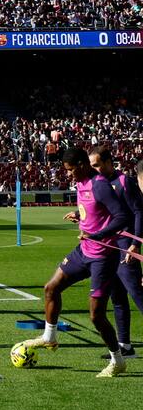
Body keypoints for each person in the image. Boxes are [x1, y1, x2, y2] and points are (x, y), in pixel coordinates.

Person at [22, 146, 130, 377]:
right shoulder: (80, 183)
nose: (68, 174)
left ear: (82, 165)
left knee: (96, 316)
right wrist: (80, 215)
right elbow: (94, 210)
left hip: (102, 257)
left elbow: (122, 216)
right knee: (51, 288)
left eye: (71, 170)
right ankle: (49, 337)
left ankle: (118, 360)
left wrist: (99, 235)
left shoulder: (100, 185)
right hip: (83, 251)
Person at [88, 145, 143, 360]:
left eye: (96, 165)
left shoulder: (124, 181)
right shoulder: (98, 184)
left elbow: (139, 212)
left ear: (109, 162)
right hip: (109, 248)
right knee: (117, 297)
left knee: (137, 294)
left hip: (125, 245)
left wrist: (135, 244)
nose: (94, 169)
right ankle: (125, 345)